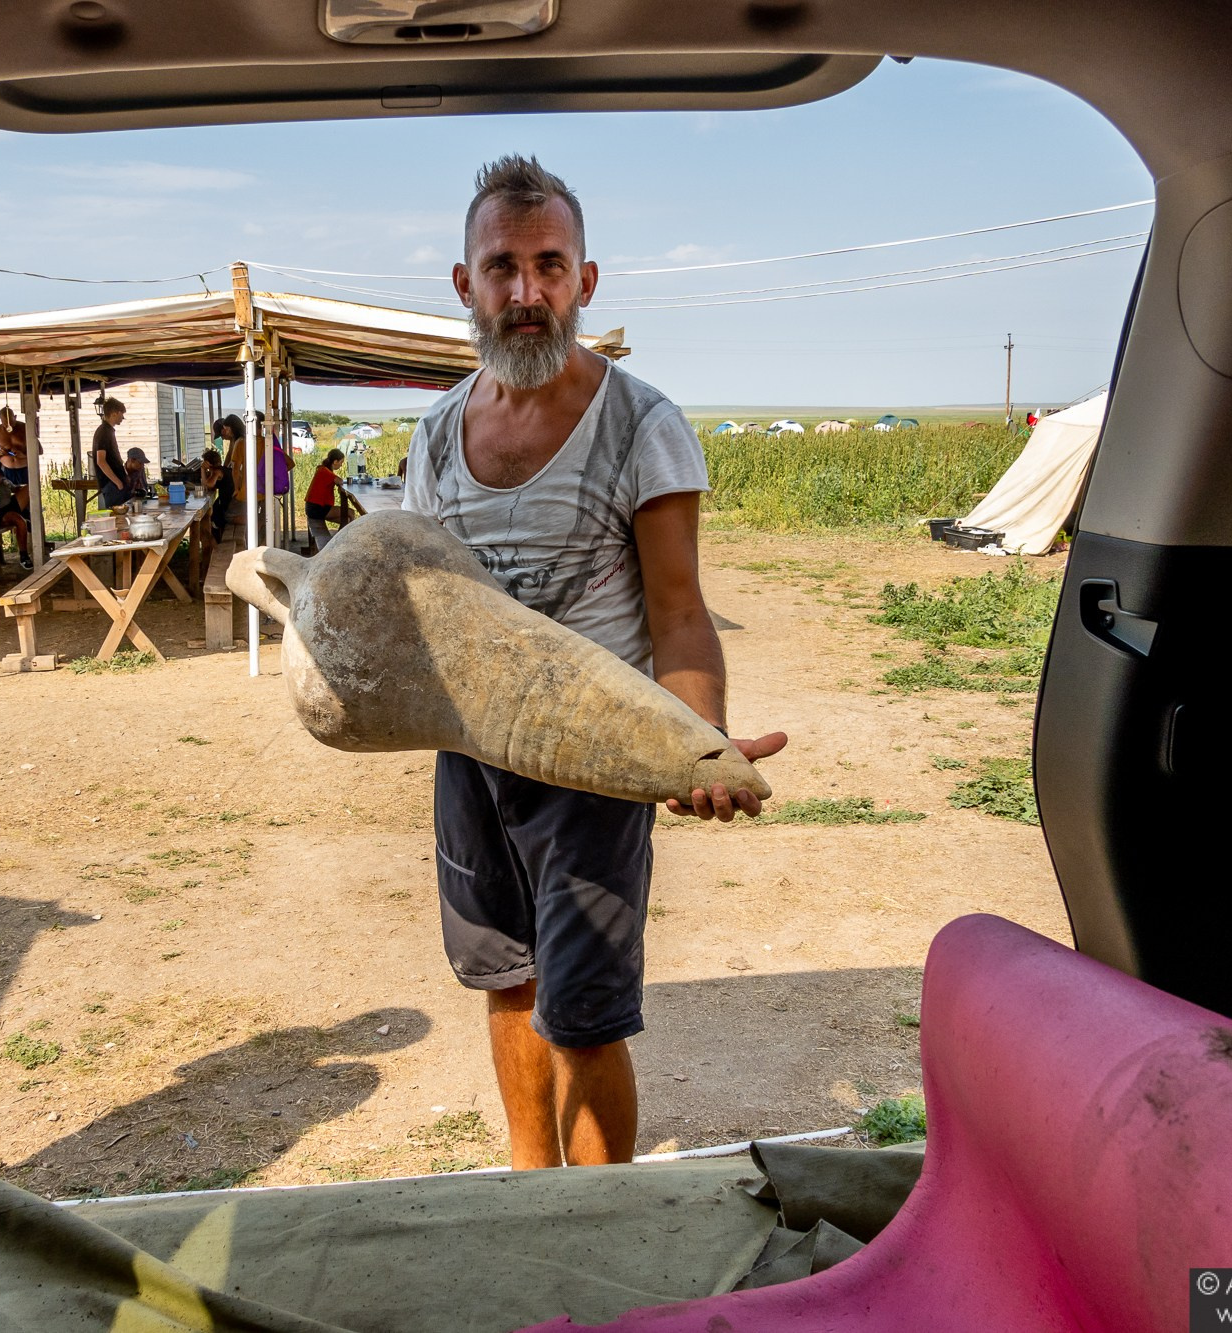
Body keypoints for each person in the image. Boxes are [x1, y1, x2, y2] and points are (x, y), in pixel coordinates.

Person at [405, 155, 788, 1171]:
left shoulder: (640, 424)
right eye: (502, 268)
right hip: (471, 760)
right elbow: (432, 609)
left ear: (585, 281)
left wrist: (692, 747)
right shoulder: (436, 433)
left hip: (590, 767)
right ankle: (532, 1200)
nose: (525, 294)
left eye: (548, 266)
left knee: (580, 1014)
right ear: (464, 284)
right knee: (508, 983)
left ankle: (601, 1222)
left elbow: (678, 612)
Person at [303, 448, 356, 554]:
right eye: (340, 462)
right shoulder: (325, 471)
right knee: (350, 513)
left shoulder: (323, 469)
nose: (341, 466)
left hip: (314, 507)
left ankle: (339, 541)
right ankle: (342, 542)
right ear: (335, 461)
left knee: (347, 520)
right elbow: (339, 480)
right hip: (316, 509)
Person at [0, 461, 34, 569]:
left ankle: (27, 515)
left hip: (10, 504)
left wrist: (16, 488)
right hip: (0, 512)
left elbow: (14, 488)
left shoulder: (5, 482)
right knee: (20, 522)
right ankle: (24, 556)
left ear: (0, 475)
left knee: (30, 487)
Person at [92, 398, 129, 511]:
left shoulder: (108, 431)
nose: (122, 418)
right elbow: (101, 461)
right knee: (119, 519)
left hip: (115, 483)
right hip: (111, 485)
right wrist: (117, 482)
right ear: (114, 413)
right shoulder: (103, 432)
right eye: (121, 414)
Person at [0, 406, 30, 486]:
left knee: (26, 495)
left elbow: (39, 450)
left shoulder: (25, 428)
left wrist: (24, 455)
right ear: (1, 420)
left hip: (24, 469)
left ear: (15, 417)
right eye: (5, 424)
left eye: (11, 423)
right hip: (6, 470)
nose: (9, 427)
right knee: (7, 495)